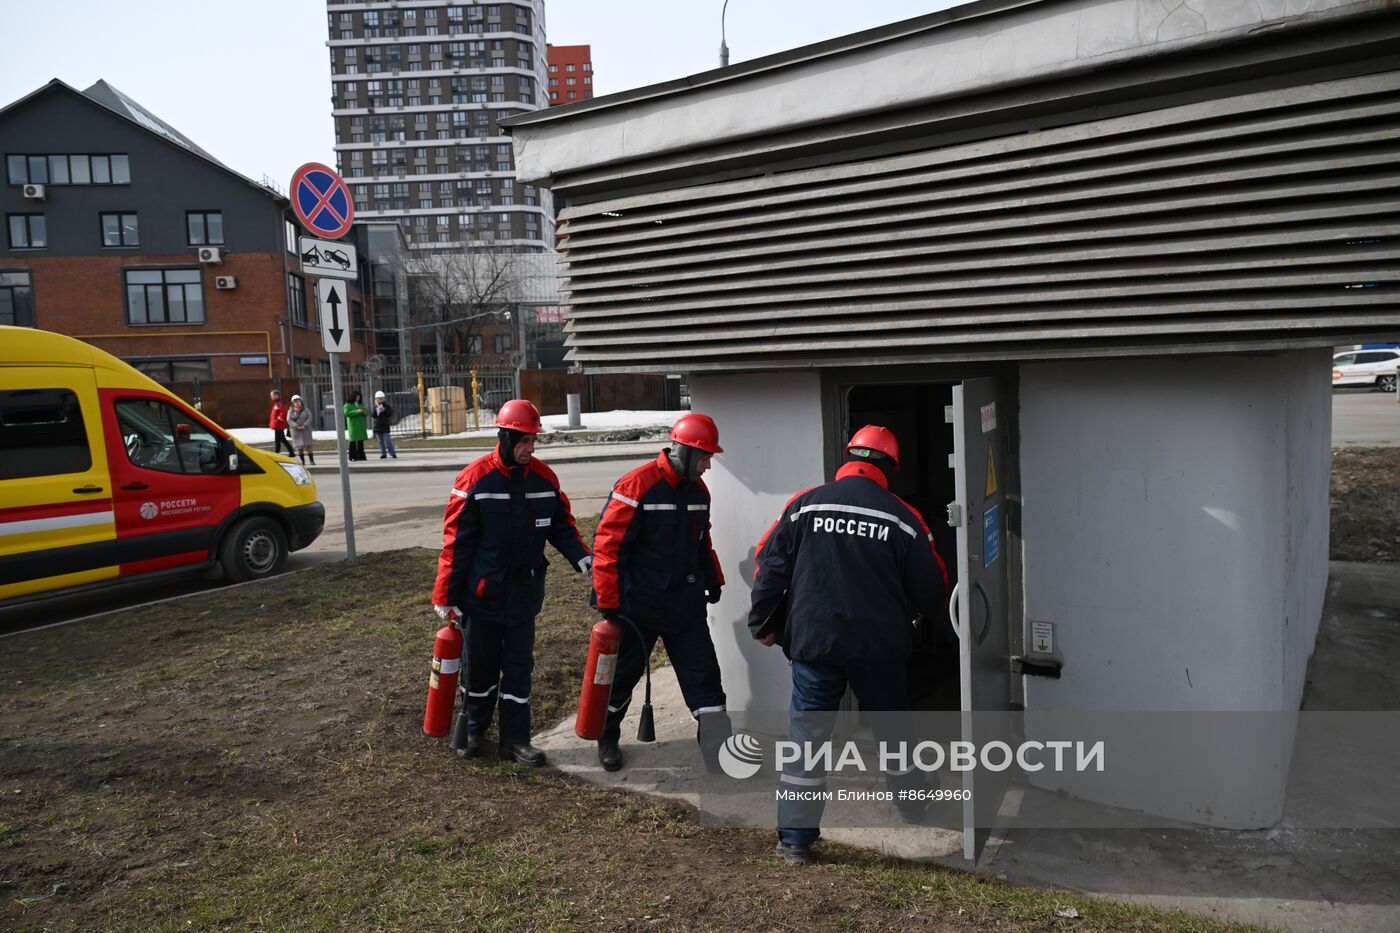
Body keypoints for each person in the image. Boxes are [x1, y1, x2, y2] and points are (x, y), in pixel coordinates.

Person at [748, 425, 948, 865]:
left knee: (807, 738)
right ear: (889, 467)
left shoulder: (803, 505)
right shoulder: (904, 517)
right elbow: (934, 589)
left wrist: (761, 620)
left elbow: (770, 565)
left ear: (848, 458)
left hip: (814, 644)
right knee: (894, 731)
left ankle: (795, 839)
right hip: (879, 648)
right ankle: (914, 804)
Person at [433, 399, 591, 766]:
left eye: (533, 440)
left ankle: (516, 741)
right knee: (480, 670)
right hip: (482, 597)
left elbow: (561, 525)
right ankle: (474, 732)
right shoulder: (475, 480)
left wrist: (580, 555)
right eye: (523, 440)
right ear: (504, 437)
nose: (530, 447)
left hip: (524, 597)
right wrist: (446, 595)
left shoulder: (543, 478)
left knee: (520, 669)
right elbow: (455, 543)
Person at [590, 413, 730, 774]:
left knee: (705, 677)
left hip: (685, 607)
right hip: (638, 608)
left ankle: (717, 750)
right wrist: (608, 602)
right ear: (683, 452)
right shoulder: (637, 485)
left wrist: (713, 577)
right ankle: (607, 738)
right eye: (704, 457)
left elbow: (702, 540)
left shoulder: (699, 492)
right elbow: (608, 548)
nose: (707, 465)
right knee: (621, 677)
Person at [287, 394, 315, 466]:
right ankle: (303, 461)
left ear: (301, 401)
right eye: (295, 402)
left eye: (298, 401)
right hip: (296, 431)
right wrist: (297, 426)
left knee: (309, 445)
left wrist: (304, 425)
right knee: (299, 447)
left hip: (306, 430)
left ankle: (312, 461)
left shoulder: (306, 409)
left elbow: (310, 417)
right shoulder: (291, 410)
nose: (297, 403)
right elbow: (289, 420)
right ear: (293, 403)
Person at [268, 389, 294, 457]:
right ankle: (291, 452)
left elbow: (283, 414)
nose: (271, 397)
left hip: (278, 425)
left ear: (276, 395)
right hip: (277, 425)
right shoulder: (277, 403)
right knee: (282, 439)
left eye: (272, 395)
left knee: (277, 440)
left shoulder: (280, 403)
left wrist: (277, 421)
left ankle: (276, 454)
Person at [371, 390, 397, 459]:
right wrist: (377, 408)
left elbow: (389, 414)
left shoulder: (387, 406)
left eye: (381, 398)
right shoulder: (375, 407)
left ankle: (392, 453)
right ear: (376, 399)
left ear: (384, 399)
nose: (380, 400)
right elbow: (373, 415)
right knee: (380, 441)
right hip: (377, 427)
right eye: (378, 399)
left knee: (387, 439)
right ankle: (383, 453)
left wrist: (383, 409)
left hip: (385, 426)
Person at [344, 391, 368, 462]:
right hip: (353, 425)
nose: (357, 399)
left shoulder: (361, 404)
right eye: (356, 398)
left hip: (361, 424)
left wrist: (364, 412)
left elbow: (367, 412)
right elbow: (347, 413)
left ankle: (361, 456)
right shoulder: (347, 405)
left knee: (360, 441)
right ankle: (352, 456)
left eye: (359, 398)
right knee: (353, 441)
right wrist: (357, 411)